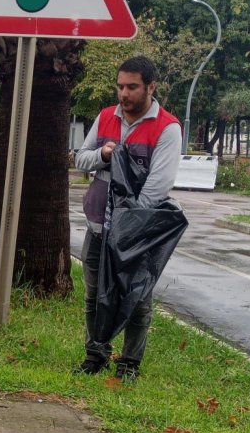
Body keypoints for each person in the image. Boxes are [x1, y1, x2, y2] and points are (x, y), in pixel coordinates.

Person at [73, 55, 182, 382]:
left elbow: (157, 187)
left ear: (151, 87)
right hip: (97, 227)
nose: (124, 94)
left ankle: (129, 364)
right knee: (94, 294)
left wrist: (127, 226)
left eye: (132, 87)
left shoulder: (167, 127)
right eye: (120, 86)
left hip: (136, 235)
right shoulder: (106, 117)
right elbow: (81, 159)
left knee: (136, 298)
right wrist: (105, 155)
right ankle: (96, 354)